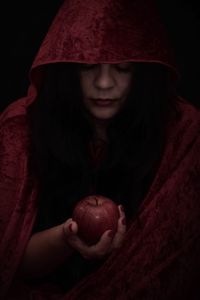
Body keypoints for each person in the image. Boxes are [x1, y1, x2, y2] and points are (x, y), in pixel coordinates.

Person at [0, 0, 200, 299]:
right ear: (67, 69)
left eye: (122, 68)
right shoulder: (23, 127)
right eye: (88, 66)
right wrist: (68, 238)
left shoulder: (182, 132)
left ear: (143, 72)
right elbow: (8, 262)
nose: (104, 83)